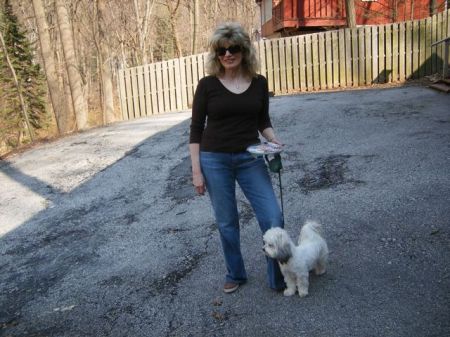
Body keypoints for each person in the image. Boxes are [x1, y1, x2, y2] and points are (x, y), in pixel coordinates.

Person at [189, 22, 285, 294]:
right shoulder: (207, 85)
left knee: (273, 215)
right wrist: (197, 170)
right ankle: (235, 272)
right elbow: (196, 130)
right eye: (222, 51)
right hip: (214, 160)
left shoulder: (259, 82)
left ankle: (277, 275)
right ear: (216, 55)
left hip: (250, 157)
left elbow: (262, 120)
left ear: (244, 50)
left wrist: (273, 139)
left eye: (233, 49)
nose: (228, 54)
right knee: (227, 222)